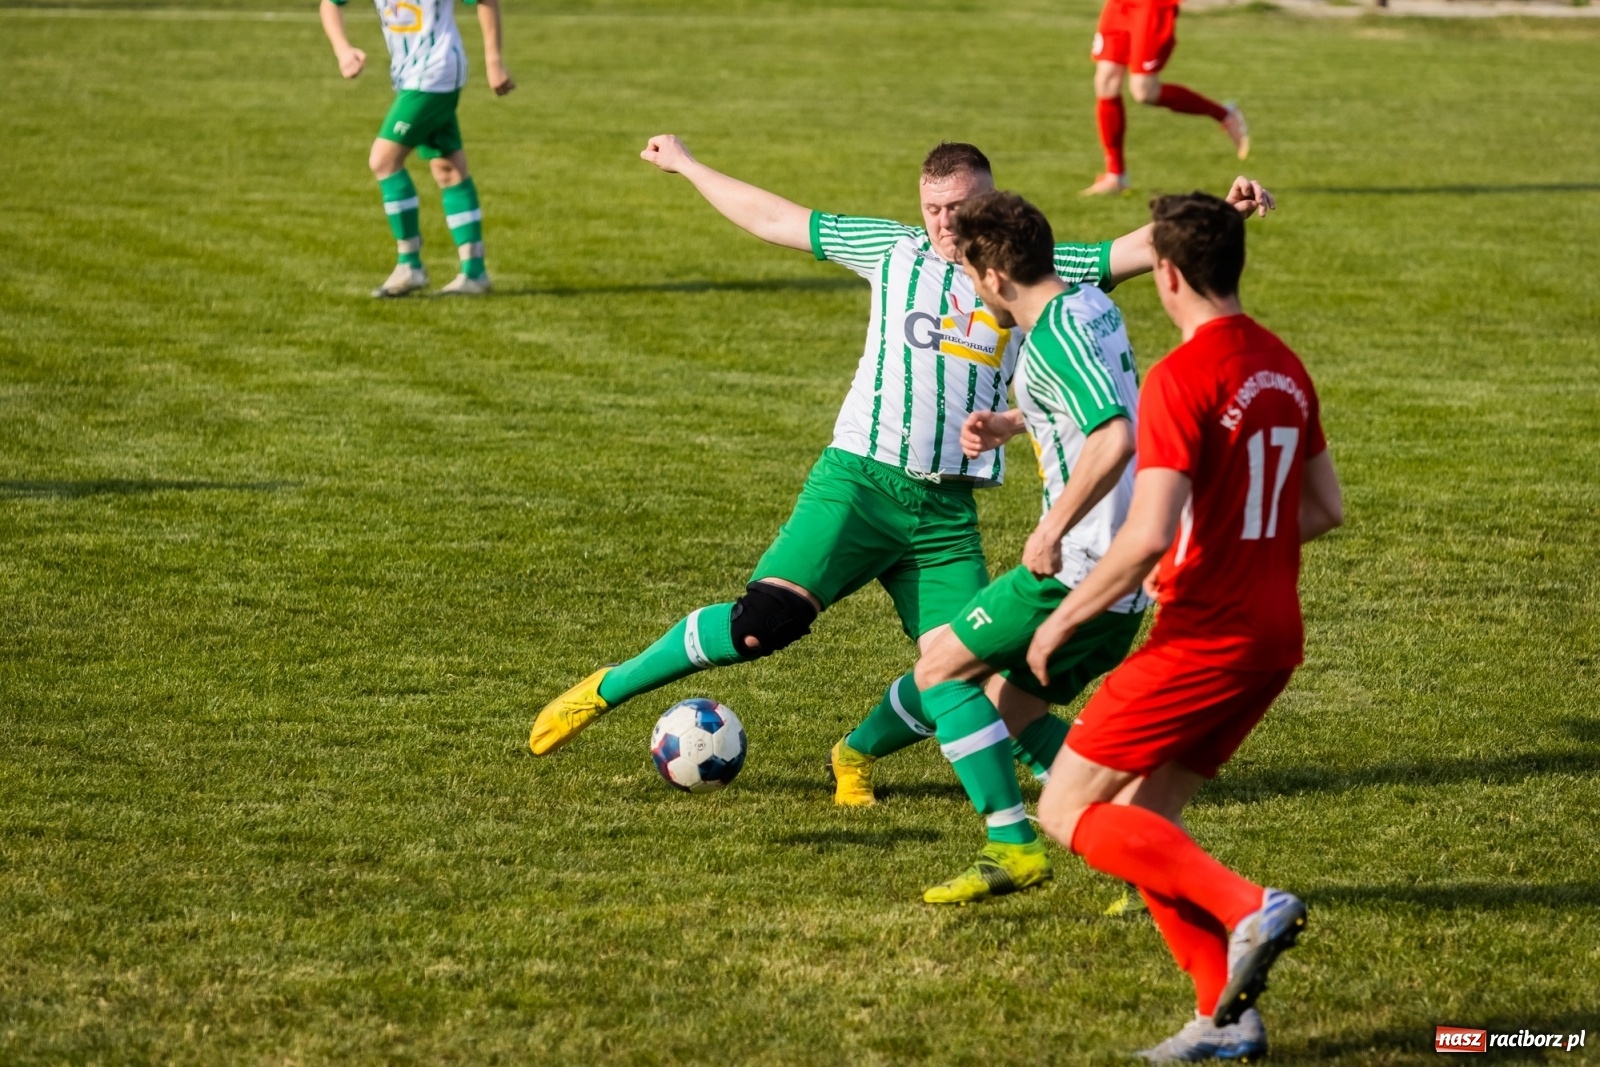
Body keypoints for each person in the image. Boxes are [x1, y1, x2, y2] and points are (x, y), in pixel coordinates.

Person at [527, 136, 1269, 772]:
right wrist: (688, 163)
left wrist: (1219, 213)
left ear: (993, 202)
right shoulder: (892, 251)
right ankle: (606, 688)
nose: (947, 224)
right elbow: (776, 217)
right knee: (764, 624)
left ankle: (1053, 790)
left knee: (971, 675)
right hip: (858, 483)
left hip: (945, 514)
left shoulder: (1029, 263)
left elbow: (1135, 248)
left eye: (961, 207)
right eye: (934, 208)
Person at [1026, 192, 1343, 1062]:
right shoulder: (1284, 364)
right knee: (1143, 824)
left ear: (1164, 274)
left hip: (1204, 636)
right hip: (1275, 635)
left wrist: (1061, 623)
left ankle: (1249, 906)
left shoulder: (1181, 376)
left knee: (1066, 808)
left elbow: (1144, 536)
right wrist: (1236, 535)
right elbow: (1325, 507)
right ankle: (1225, 1017)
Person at [874, 190, 1147, 906]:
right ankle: (1145, 859)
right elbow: (1093, 396)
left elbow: (1114, 433)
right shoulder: (1089, 306)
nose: (965, 287)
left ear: (995, 277)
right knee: (1007, 709)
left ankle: (1014, 846)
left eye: (966, 273)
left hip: (1080, 570)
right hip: (1127, 580)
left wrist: (1051, 528)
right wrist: (1013, 422)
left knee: (940, 671)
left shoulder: (1051, 333)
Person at [319, 0, 515, 297]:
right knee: (447, 169)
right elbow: (329, 3)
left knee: (382, 160)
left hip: (437, 73)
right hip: (407, 75)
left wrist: (494, 62)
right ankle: (474, 273)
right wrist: (342, 50)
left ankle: (409, 265)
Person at [1081, 0, 1248, 197]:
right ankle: (1115, 176)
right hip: (1119, 5)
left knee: (1144, 91)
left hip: (1151, 6)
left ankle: (1224, 114)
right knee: (1105, 81)